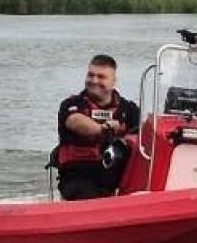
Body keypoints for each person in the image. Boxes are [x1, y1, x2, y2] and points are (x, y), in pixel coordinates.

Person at [55, 53, 141, 200]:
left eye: (101, 77)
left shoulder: (129, 110)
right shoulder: (71, 104)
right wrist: (104, 128)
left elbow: (147, 135)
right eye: (90, 75)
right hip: (78, 176)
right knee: (87, 193)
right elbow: (76, 122)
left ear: (113, 81)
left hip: (119, 177)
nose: (94, 80)